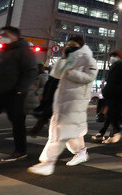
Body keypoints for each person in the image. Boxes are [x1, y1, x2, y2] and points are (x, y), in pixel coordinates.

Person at [28, 36, 97, 175]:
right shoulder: (68, 57)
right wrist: (64, 58)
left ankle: (48, 162)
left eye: (72, 45)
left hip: (75, 101)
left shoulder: (88, 59)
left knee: (61, 132)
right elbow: (56, 74)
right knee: (71, 132)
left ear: (80, 46)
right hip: (62, 100)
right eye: (68, 44)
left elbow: (90, 77)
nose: (69, 46)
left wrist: (71, 72)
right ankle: (81, 152)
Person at [0, 26, 37, 162]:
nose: (1, 36)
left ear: (14, 36)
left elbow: (31, 72)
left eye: (5, 34)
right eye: (0, 34)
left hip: (13, 94)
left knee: (17, 123)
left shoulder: (24, 50)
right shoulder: (4, 50)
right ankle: (20, 150)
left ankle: (20, 150)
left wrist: (19, 90)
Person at [100, 50, 122, 144]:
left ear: (120, 57)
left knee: (113, 113)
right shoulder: (113, 67)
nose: (112, 58)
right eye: (111, 56)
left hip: (117, 95)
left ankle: (121, 130)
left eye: (115, 56)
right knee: (113, 114)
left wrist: (120, 91)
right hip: (111, 95)